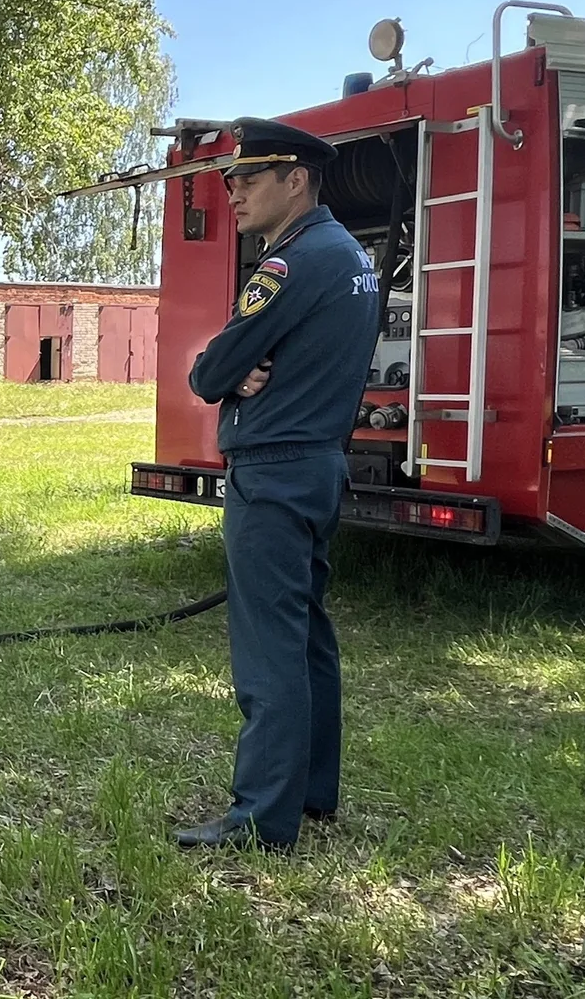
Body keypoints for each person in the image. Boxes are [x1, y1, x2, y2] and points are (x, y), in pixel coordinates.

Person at [176, 117, 380, 851]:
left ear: (297, 180)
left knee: (269, 647)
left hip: (274, 469)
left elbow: (207, 373)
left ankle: (262, 819)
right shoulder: (350, 255)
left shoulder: (290, 264)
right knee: (307, 635)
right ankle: (313, 792)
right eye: (230, 179)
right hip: (320, 463)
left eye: (249, 178)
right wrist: (249, 366)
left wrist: (234, 371)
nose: (233, 191)